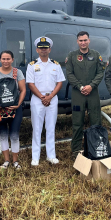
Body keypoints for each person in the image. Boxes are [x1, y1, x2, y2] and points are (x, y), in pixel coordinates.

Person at [26, 37, 65, 166]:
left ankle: (51, 155)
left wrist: (50, 96)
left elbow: (59, 82)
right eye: (41, 48)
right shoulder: (32, 65)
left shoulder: (56, 65)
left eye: (46, 48)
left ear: (49, 49)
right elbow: (30, 84)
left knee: (51, 127)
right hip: (38, 100)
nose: (43, 50)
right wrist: (43, 98)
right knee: (36, 128)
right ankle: (35, 157)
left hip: (52, 99)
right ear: (37, 49)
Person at [65, 31, 105, 158]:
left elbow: (100, 73)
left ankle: (96, 147)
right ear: (77, 42)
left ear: (89, 41)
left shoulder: (96, 55)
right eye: (81, 40)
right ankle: (76, 150)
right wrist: (81, 86)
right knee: (77, 122)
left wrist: (91, 86)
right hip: (78, 94)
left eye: (85, 40)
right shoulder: (71, 56)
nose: (83, 42)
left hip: (93, 93)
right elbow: (69, 74)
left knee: (96, 121)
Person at [0, 50, 27, 170]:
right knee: (3, 135)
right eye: (3, 59)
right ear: (0, 60)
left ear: (12, 59)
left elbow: (23, 90)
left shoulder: (17, 72)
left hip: (15, 109)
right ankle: (6, 161)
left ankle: (15, 161)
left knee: (14, 135)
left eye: (8, 59)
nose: (6, 61)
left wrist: (18, 104)